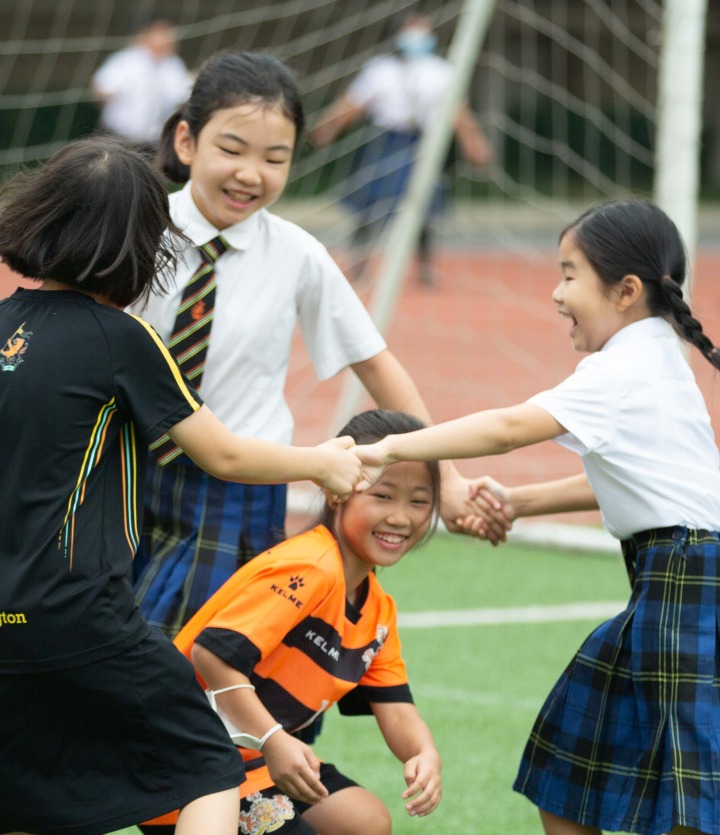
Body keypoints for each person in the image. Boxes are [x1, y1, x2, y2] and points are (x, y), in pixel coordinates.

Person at [0, 136, 365, 835]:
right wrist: (322, 462)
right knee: (209, 764)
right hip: (80, 617)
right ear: (140, 250)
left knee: (22, 800)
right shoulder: (121, 338)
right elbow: (221, 454)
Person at [355, 198, 720, 835]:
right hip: (673, 578)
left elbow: (506, 428)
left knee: (686, 797)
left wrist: (389, 446)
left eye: (570, 274)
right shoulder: (658, 359)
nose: (556, 292)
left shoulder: (622, 369)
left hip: (685, 585)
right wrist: (520, 502)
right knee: (568, 762)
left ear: (626, 290)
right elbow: (638, 481)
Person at [128, 49, 500, 641]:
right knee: (103, 660)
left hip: (239, 494)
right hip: (123, 476)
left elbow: (378, 366)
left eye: (275, 158)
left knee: (209, 668)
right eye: (232, 148)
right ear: (185, 140)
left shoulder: (299, 254)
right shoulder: (135, 229)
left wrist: (445, 475)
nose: (252, 173)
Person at [140, 409, 443, 835]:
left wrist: (424, 753)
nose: (401, 517)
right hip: (183, 756)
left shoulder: (378, 610)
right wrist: (273, 740)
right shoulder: (311, 566)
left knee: (366, 821)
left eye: (419, 502)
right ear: (337, 491)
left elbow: (396, 709)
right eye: (383, 495)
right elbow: (213, 654)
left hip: (253, 758)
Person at [310, 10, 492, 285]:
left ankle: (424, 267)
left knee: (423, 206)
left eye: (423, 30)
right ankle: (359, 261)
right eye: (412, 30)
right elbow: (351, 105)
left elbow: (459, 113)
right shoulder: (380, 69)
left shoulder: (441, 71)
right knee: (371, 205)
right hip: (385, 140)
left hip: (422, 143)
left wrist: (474, 143)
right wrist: (326, 128)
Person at [91, 16, 192, 149]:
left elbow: (182, 94)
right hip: (120, 137)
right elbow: (100, 88)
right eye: (161, 34)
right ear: (146, 35)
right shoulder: (125, 60)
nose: (167, 40)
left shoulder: (173, 64)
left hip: (155, 140)